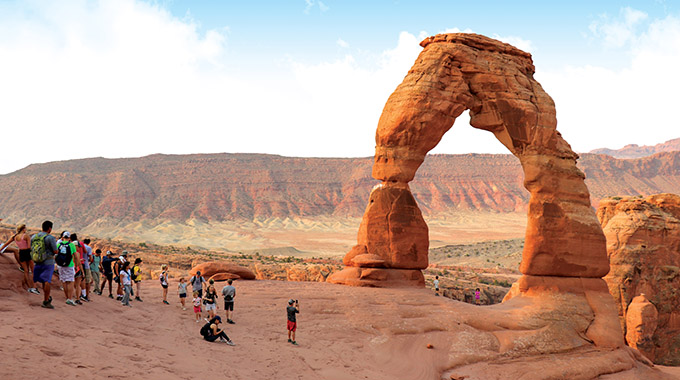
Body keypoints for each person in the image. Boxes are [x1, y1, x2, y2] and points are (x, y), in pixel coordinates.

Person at [0, 224, 39, 294]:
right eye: (25, 228)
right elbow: (29, 246)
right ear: (23, 229)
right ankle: (34, 287)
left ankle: (29, 288)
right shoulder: (26, 236)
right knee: (33, 271)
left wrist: (0, 249)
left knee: (26, 271)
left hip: (21, 253)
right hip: (27, 252)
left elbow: (5, 244)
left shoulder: (15, 236)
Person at [31, 221, 58, 309]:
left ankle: (46, 298)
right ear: (49, 228)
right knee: (47, 281)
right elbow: (55, 251)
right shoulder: (50, 238)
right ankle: (46, 301)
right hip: (48, 262)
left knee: (43, 281)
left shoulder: (34, 237)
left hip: (37, 261)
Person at [56, 232, 79, 306]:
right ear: (69, 238)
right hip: (69, 265)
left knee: (64, 281)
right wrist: (77, 265)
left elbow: (56, 255)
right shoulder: (71, 245)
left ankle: (67, 297)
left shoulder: (58, 244)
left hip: (60, 266)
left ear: (62, 237)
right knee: (70, 282)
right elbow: (75, 256)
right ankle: (70, 298)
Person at [70, 233, 89, 302]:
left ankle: (70, 297)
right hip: (76, 269)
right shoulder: (76, 253)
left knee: (72, 284)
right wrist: (82, 271)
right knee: (77, 284)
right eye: (78, 246)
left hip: (71, 268)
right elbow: (79, 263)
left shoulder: (70, 252)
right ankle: (78, 298)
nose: (79, 247)